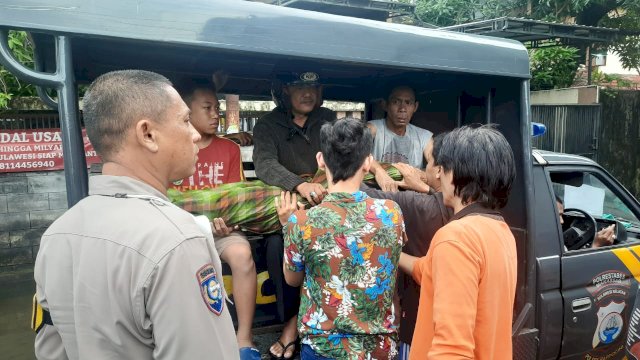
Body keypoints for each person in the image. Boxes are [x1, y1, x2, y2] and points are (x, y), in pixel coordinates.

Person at [32, 70, 239, 359]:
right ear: (148, 134)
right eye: (184, 120)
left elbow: (51, 349)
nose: (194, 134)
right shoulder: (178, 240)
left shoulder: (58, 233)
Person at [253, 71, 397, 359]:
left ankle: (294, 329)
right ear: (284, 90)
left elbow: (352, 153)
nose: (308, 93)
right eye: (300, 87)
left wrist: (379, 170)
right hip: (291, 202)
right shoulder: (268, 124)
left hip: (332, 200)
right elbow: (264, 163)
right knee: (275, 247)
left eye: (314, 87)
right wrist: (300, 185)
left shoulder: (328, 119)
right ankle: (289, 321)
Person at [276, 118, 406, 359]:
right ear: (368, 162)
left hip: (322, 348)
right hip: (378, 347)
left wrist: (287, 226)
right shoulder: (391, 213)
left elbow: (292, 280)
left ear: (320, 160)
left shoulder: (301, 222)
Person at [398, 125, 517, 360]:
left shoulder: (456, 238)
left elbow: (452, 350)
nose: (439, 174)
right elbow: (427, 270)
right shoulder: (499, 230)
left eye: (444, 168)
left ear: (458, 173)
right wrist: (390, 251)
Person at [172, 81, 259, 360]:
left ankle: (244, 337)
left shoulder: (229, 150)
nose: (215, 115)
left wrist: (228, 224)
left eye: (217, 108)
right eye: (207, 108)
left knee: (243, 255)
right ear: (187, 111)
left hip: (224, 228)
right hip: (181, 230)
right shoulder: (173, 150)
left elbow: (237, 199)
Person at [361, 132, 451, 359]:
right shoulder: (458, 206)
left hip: (416, 326)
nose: (423, 168)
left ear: (439, 170)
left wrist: (375, 169)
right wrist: (426, 188)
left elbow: (358, 193)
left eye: (428, 162)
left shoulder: (417, 205)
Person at [367, 86, 433, 169]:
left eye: (408, 103)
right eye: (396, 102)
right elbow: (356, 154)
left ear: (415, 107)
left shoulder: (423, 136)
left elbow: (436, 164)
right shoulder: (373, 129)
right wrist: (379, 172)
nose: (402, 109)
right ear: (385, 105)